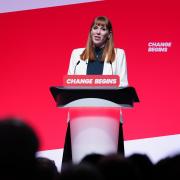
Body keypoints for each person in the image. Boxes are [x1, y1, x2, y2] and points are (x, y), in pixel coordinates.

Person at [61, 16, 129, 168]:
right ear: (90, 31)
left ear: (109, 34)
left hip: (108, 120)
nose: (98, 32)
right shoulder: (77, 55)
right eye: (95, 28)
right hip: (80, 118)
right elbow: (69, 84)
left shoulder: (119, 55)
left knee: (111, 168)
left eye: (103, 29)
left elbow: (123, 85)